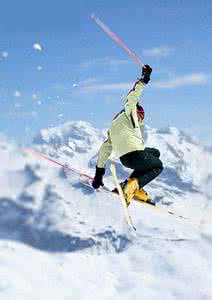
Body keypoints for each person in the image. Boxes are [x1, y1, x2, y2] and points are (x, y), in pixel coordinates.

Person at [92, 65, 163, 205]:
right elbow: (133, 97)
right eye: (141, 116)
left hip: (126, 158)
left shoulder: (113, 127)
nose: (141, 120)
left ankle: (132, 186)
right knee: (158, 166)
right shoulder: (130, 112)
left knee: (155, 153)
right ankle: (132, 187)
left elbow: (104, 150)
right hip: (136, 155)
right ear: (138, 112)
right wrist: (144, 79)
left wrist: (98, 175)